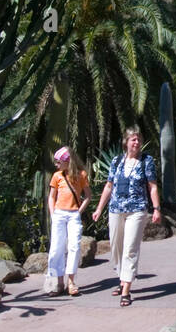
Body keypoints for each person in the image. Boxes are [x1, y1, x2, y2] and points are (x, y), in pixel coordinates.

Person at [92, 127, 161, 307]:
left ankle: (126, 290)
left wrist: (156, 209)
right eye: (133, 139)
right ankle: (122, 278)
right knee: (116, 246)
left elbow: (152, 186)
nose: (136, 142)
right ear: (126, 142)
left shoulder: (147, 161)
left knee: (130, 248)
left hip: (137, 210)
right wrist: (99, 208)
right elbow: (108, 186)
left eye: (138, 139)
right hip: (116, 209)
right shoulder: (116, 161)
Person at [46, 146, 91, 297]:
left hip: (73, 215)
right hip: (59, 214)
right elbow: (52, 197)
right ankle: (59, 282)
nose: (56, 164)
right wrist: (53, 214)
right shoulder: (57, 176)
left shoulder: (81, 175)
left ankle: (71, 281)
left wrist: (79, 211)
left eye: (59, 162)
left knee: (74, 246)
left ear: (67, 162)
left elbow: (88, 196)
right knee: (56, 248)